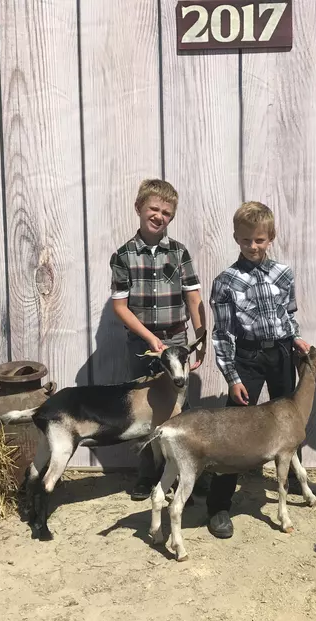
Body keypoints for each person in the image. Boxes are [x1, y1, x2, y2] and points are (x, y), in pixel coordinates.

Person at [207, 201, 316, 539]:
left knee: (292, 419)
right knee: (234, 427)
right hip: (247, 359)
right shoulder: (226, 281)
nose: (253, 246)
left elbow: (288, 314)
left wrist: (297, 339)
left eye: (259, 240)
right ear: (236, 238)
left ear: (270, 237)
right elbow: (222, 333)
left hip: (280, 355)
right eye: (246, 241)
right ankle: (218, 504)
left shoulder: (283, 273)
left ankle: (298, 482)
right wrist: (232, 377)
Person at [109, 178, 207, 500]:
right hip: (142, 347)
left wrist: (201, 335)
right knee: (143, 410)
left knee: (182, 408)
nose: (159, 216)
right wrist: (150, 338)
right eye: (153, 208)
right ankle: (147, 475)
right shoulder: (124, 255)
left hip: (177, 341)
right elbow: (121, 307)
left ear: (171, 217)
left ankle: (187, 474)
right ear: (139, 208)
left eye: (166, 212)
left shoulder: (179, 253)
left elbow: (193, 297)